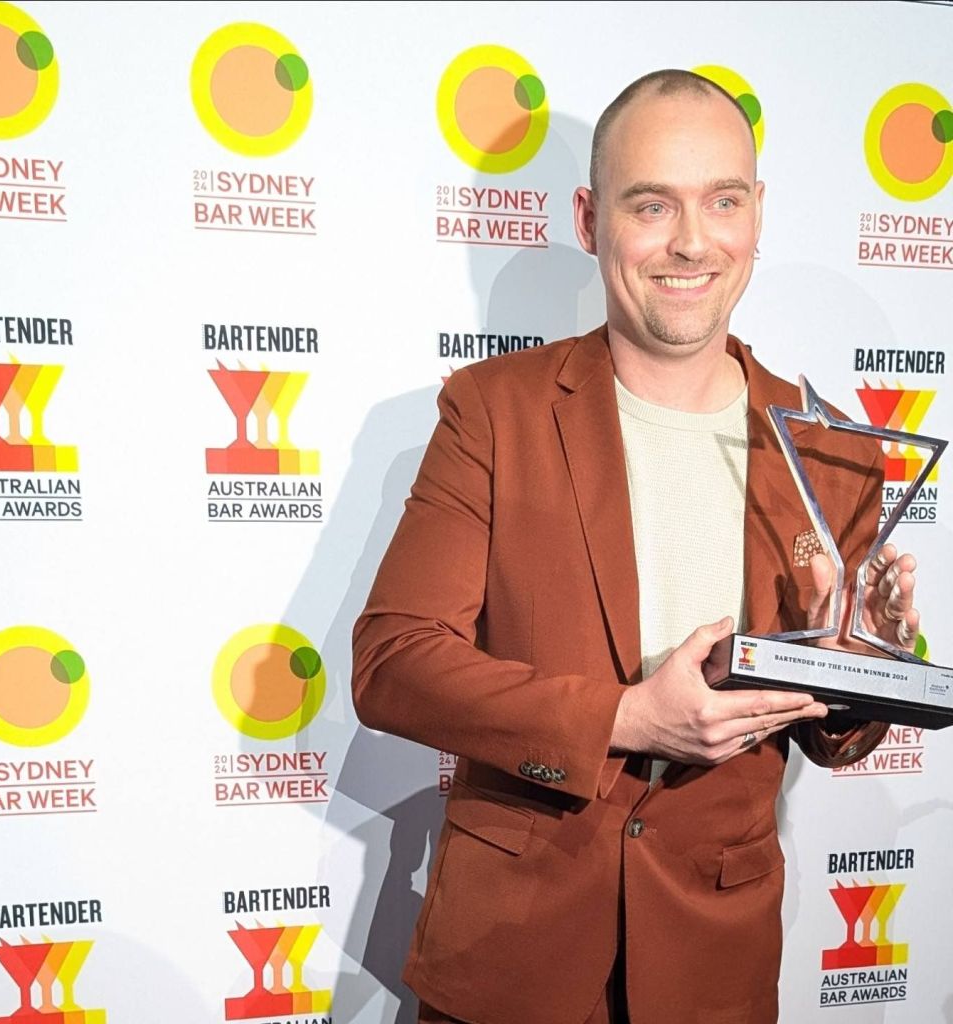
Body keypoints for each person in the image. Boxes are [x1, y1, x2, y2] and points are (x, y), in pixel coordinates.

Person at [351, 70, 920, 1024]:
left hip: (714, 968)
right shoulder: (494, 411)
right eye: (652, 204)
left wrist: (874, 664)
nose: (692, 241)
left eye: (722, 201)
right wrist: (622, 718)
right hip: (512, 960)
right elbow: (393, 665)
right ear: (589, 217)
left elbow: (837, 737)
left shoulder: (828, 446)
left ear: (757, 214)